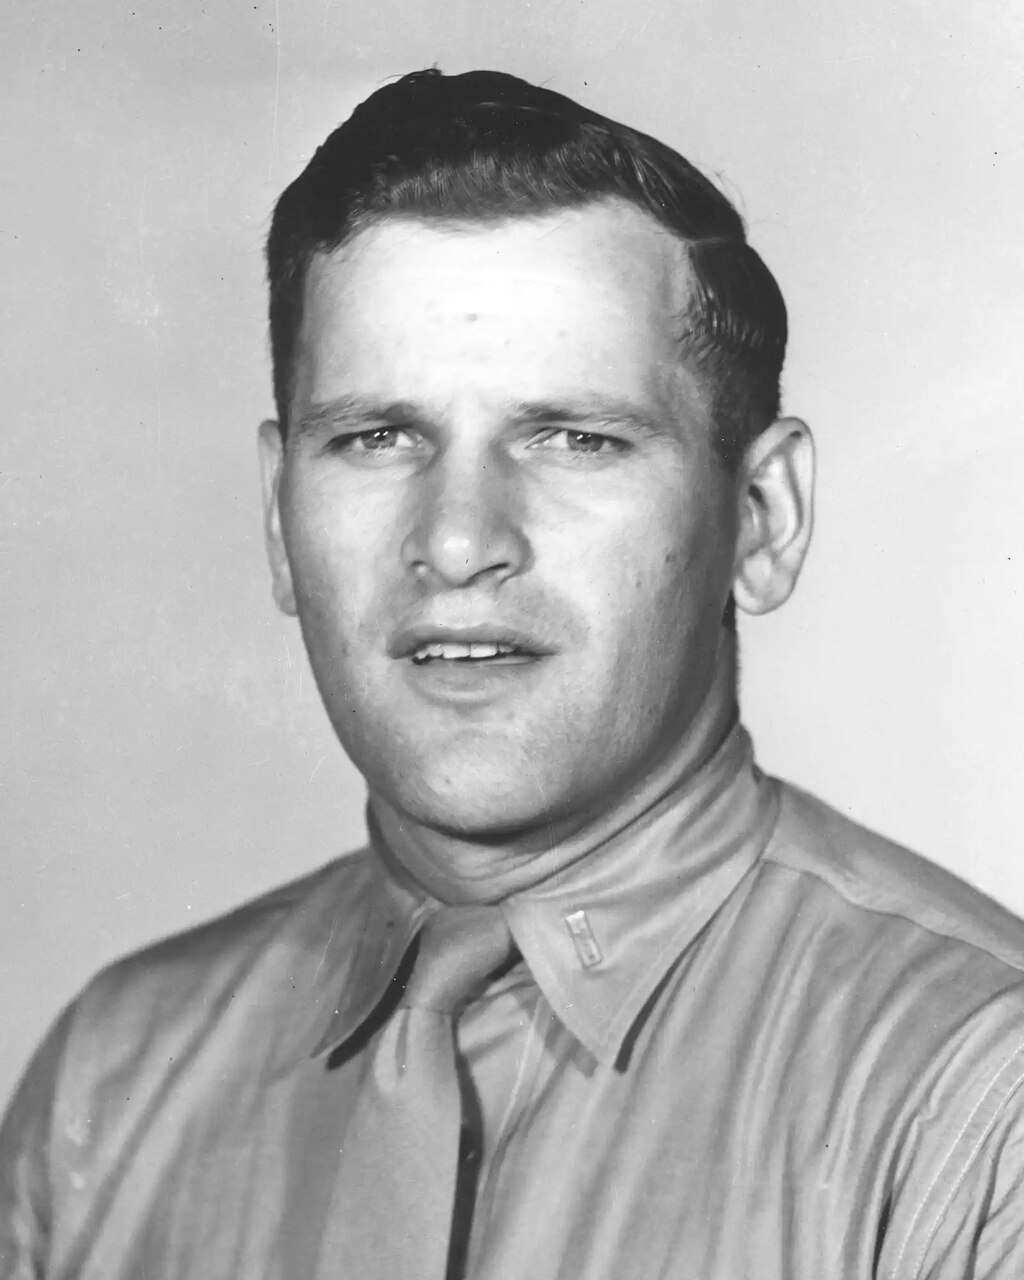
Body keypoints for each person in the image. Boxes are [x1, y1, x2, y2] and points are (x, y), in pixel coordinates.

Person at [2, 67, 1023, 1280]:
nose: (458, 537)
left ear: (759, 518)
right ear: (281, 522)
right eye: (377, 438)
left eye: (574, 437)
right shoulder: (112, 1079)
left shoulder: (976, 1097)